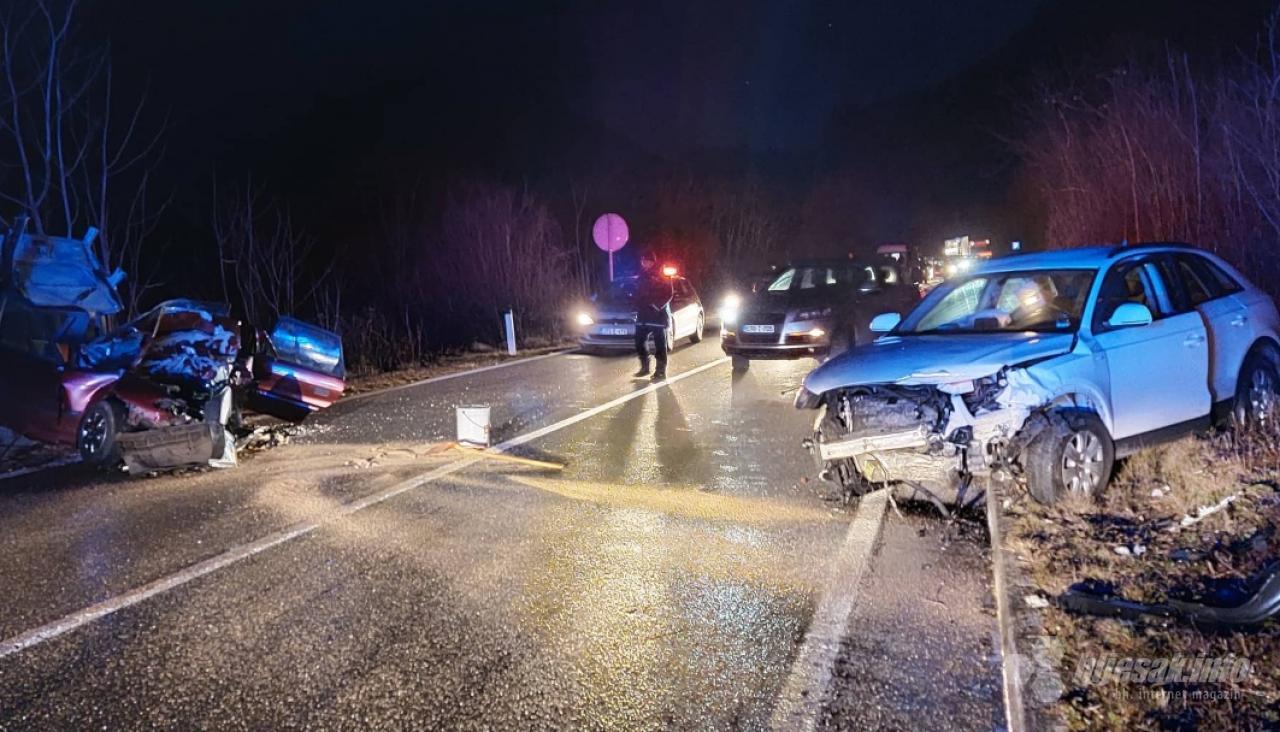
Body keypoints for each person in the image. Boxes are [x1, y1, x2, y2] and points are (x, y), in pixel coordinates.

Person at [633, 249, 673, 381]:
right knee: (639, 341)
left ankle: (660, 370)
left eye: (647, 261)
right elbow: (637, 292)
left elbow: (668, 293)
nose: (644, 263)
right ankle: (645, 366)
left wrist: (657, 306)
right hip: (643, 315)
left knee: (660, 344)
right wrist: (634, 302)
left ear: (652, 262)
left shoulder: (662, 274)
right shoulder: (641, 275)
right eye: (643, 261)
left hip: (657, 316)